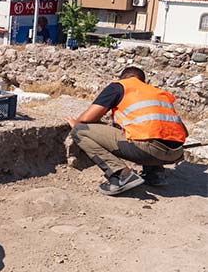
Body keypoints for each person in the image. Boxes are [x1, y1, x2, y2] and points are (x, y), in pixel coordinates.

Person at [66, 67, 188, 195]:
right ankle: (155, 174)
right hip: (176, 153)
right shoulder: (159, 93)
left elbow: (87, 118)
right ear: (143, 81)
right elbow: (184, 132)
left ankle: (121, 176)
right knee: (147, 129)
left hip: (149, 150)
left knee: (80, 131)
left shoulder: (120, 86)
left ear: (123, 78)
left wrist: (76, 124)